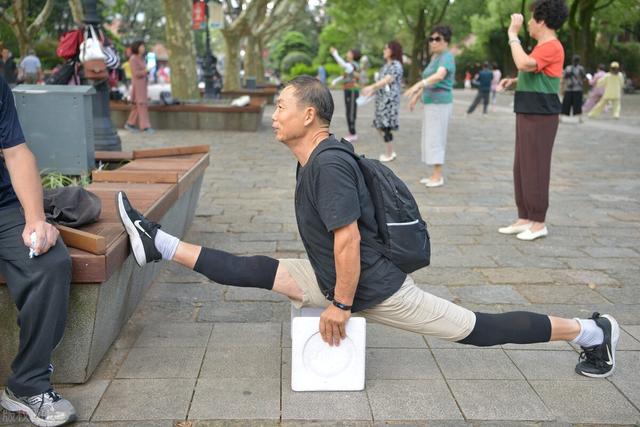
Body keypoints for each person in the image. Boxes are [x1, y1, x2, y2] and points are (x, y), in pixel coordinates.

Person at [117, 75, 619, 385]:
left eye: (281, 108)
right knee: (259, 270)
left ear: (308, 115)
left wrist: (338, 306)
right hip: (335, 274)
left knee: (479, 329)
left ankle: (593, 330)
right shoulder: (313, 157)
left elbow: (348, 240)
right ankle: (156, 242)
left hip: (372, 287)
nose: (274, 116)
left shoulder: (328, 165)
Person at [0, 75, 76, 426]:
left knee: (49, 261)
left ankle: (27, 384)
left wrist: (35, 220)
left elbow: (16, 153)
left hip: (3, 207)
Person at [496, 0, 567, 241]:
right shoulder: (541, 47)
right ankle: (524, 217)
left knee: (535, 166)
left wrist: (512, 35)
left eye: (530, 18)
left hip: (541, 115)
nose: (527, 23)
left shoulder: (552, 45)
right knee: (522, 167)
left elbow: (524, 63)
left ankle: (539, 222)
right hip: (528, 111)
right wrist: (514, 81)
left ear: (541, 21)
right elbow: (536, 72)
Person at [404, 25, 456, 188]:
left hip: (440, 103)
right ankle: (434, 173)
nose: (433, 42)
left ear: (446, 41)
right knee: (430, 137)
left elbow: (439, 76)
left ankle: (438, 176)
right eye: (431, 39)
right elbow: (429, 82)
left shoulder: (446, 57)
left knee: (436, 138)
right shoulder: (435, 58)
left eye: (437, 39)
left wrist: (418, 84)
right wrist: (417, 96)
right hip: (431, 103)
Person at [361, 41, 404, 162]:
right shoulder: (385, 66)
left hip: (389, 101)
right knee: (379, 125)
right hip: (381, 100)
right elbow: (381, 83)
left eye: (386, 48)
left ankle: (390, 153)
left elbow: (387, 80)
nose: (384, 51)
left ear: (392, 50)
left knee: (385, 126)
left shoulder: (396, 65)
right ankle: (390, 151)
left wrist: (371, 87)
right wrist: (371, 92)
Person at [330, 46, 361, 142]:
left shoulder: (354, 65)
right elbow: (344, 76)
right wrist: (335, 80)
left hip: (352, 91)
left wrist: (335, 54)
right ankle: (351, 132)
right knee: (348, 112)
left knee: (351, 112)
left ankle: (353, 133)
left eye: (349, 52)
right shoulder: (350, 65)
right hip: (347, 90)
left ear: (353, 55)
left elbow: (343, 64)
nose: (347, 54)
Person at [124, 41, 154, 134]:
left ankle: (130, 124)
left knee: (137, 106)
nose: (143, 48)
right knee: (141, 105)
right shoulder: (133, 59)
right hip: (138, 86)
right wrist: (146, 71)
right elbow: (136, 73)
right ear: (137, 48)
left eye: (143, 47)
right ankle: (145, 127)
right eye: (141, 47)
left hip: (143, 85)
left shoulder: (142, 58)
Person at [561, 54, 586, 122]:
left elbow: (584, 78)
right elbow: (564, 77)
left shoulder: (581, 69)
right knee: (565, 104)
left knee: (578, 104)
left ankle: (580, 118)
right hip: (569, 88)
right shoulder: (568, 68)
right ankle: (560, 117)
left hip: (577, 88)